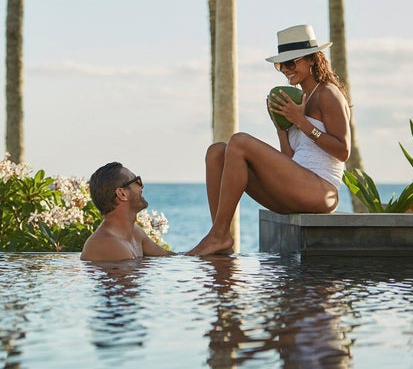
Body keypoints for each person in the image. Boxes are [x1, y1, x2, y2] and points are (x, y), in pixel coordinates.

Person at [187, 24, 351, 256]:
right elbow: (290, 159)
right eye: (280, 64)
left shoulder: (328, 94)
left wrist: (301, 122)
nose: (285, 69)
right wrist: (281, 128)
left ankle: (219, 234)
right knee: (216, 152)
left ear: (312, 59)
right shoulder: (297, 98)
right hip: (295, 189)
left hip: (322, 192)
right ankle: (221, 239)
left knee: (240, 141)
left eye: (291, 63)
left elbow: (343, 151)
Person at [80, 162, 175, 261]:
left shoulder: (135, 232)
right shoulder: (105, 243)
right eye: (137, 181)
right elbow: (131, 274)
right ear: (122, 194)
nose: (141, 186)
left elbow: (172, 258)